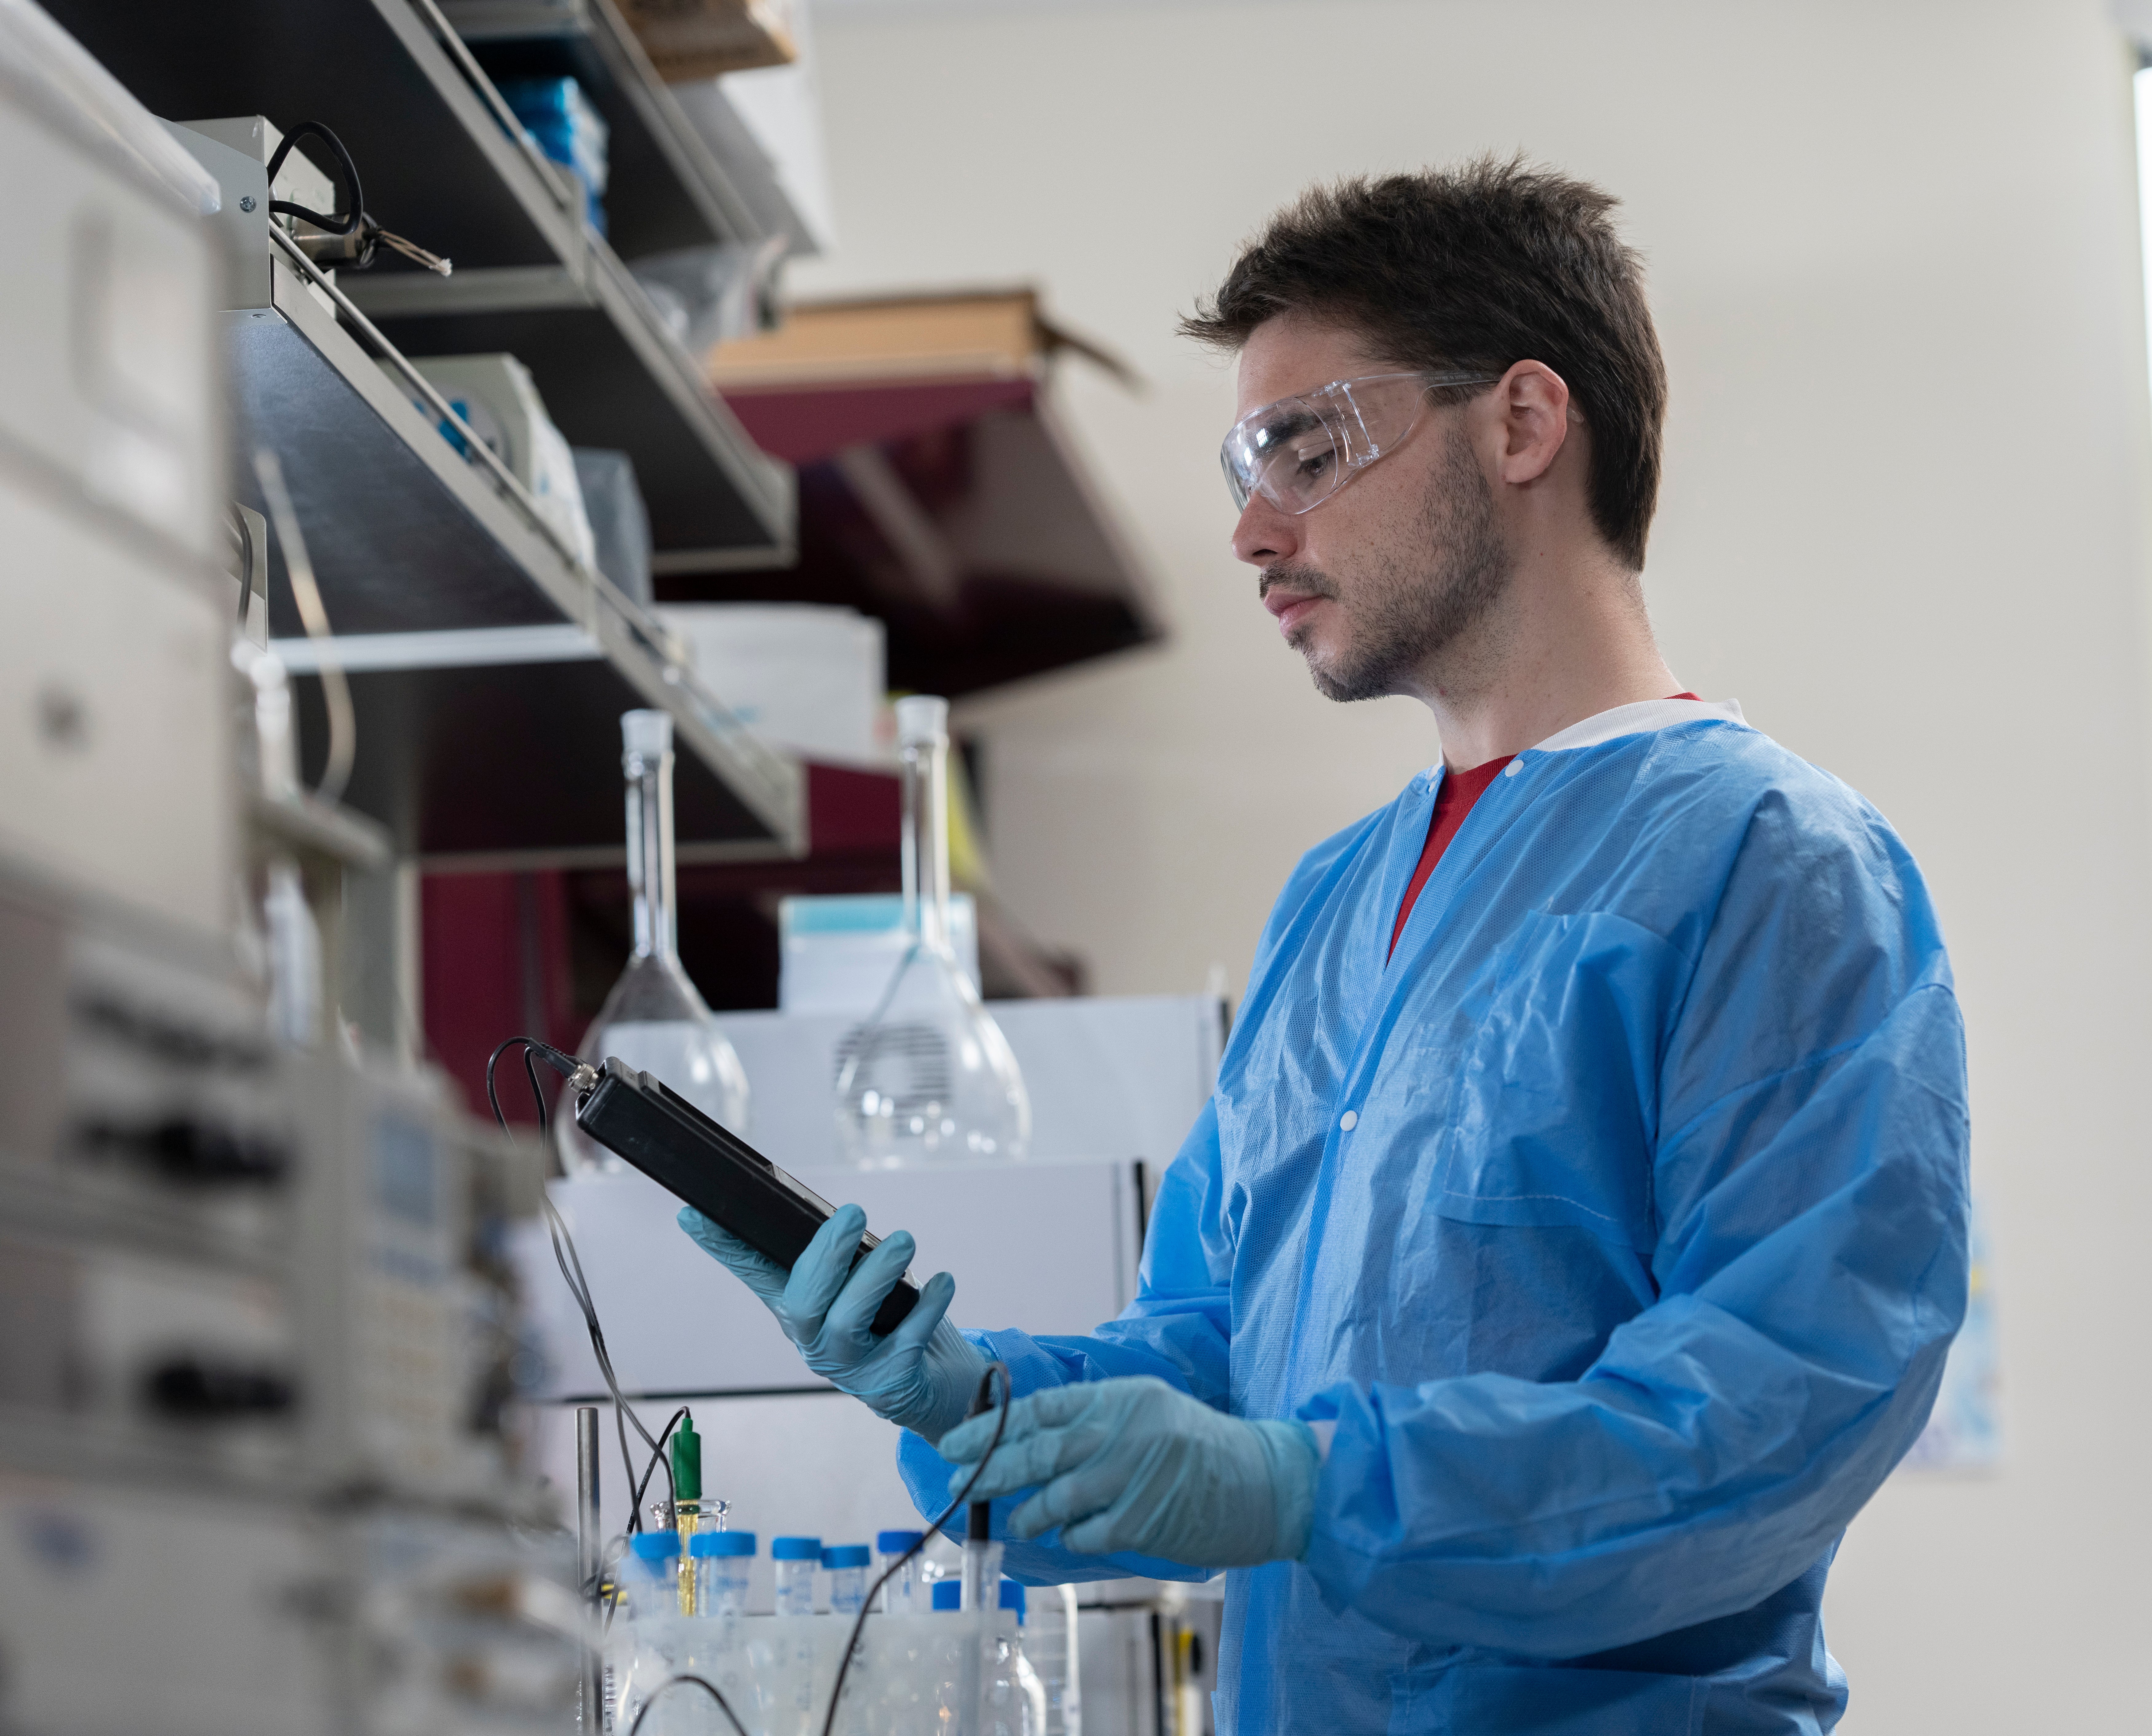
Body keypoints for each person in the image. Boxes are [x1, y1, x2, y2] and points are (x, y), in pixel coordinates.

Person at [682, 159, 1970, 1733]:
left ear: (1521, 424)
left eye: (1307, 447)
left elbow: (1778, 1406)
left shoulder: (1774, 864)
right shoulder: (1339, 902)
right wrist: (974, 1398)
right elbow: (1224, 1353)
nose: (1250, 529)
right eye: (1245, 462)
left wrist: (1319, 1484)